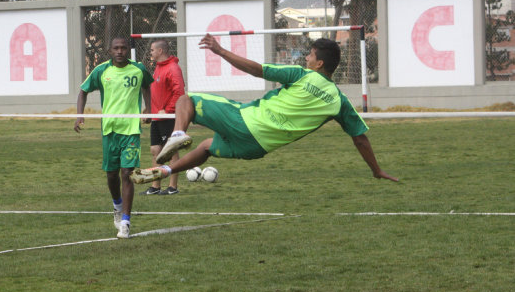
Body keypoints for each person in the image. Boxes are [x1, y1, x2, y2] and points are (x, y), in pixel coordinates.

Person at [130, 33, 398, 185]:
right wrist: (375, 170)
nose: (306, 58)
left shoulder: (302, 74)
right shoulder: (340, 102)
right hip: (258, 147)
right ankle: (162, 172)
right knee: (207, 147)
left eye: (310, 55)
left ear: (318, 64)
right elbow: (360, 138)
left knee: (186, 101)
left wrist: (221, 51)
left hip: (245, 120)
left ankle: (177, 134)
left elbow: (258, 70)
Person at [74, 38, 153, 239]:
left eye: (123, 48)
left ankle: (126, 221)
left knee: (127, 173)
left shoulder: (139, 69)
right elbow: (83, 90)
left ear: (128, 50)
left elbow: (147, 87)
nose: (120, 51)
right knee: (111, 175)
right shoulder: (101, 71)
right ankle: (117, 206)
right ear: (109, 50)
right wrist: (79, 114)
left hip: (131, 131)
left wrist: (148, 108)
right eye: (116, 48)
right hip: (109, 131)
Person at [140, 39, 185, 196]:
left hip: (169, 117)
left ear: (160, 51)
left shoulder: (173, 68)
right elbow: (156, 93)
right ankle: (155, 186)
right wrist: (149, 111)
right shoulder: (157, 68)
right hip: (157, 117)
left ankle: (173, 187)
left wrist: (168, 110)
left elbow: (179, 93)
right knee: (155, 150)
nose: (150, 53)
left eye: (152, 50)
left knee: (171, 151)